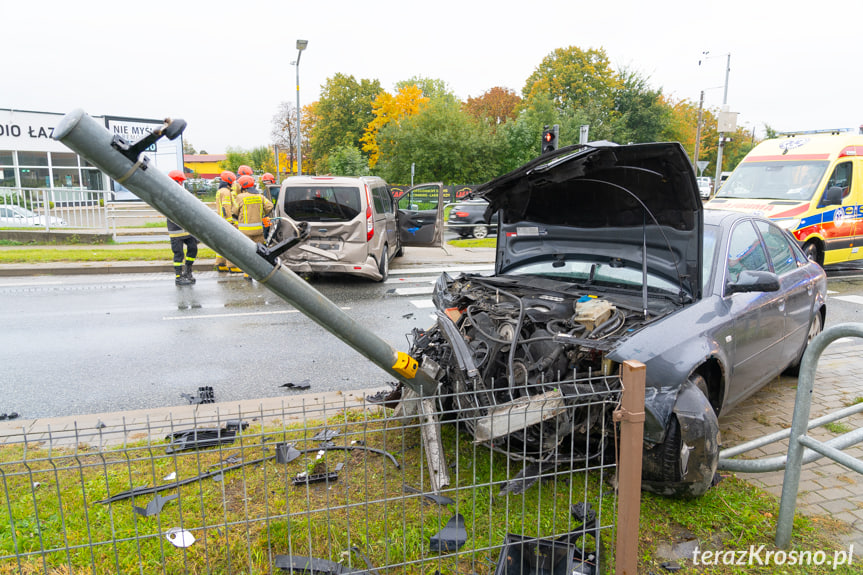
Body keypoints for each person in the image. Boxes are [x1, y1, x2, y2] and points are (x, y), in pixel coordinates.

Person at [233, 174, 274, 279]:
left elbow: (234, 212)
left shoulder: (240, 197)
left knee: (247, 253)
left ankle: (248, 273)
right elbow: (270, 206)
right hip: (259, 230)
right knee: (260, 252)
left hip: (245, 231)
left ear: (243, 186)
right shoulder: (259, 197)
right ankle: (261, 270)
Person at [167, 170, 199, 286]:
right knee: (178, 254)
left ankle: (188, 271)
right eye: (180, 182)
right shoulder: (167, 194)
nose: (181, 184)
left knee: (193, 248)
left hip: (187, 230)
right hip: (176, 230)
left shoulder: (184, 192)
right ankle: (178, 276)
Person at [215, 170, 242, 273]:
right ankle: (232, 266)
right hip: (226, 222)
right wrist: (231, 222)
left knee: (222, 244)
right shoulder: (226, 192)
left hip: (220, 221)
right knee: (231, 244)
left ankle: (220, 264)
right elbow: (226, 207)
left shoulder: (220, 191)